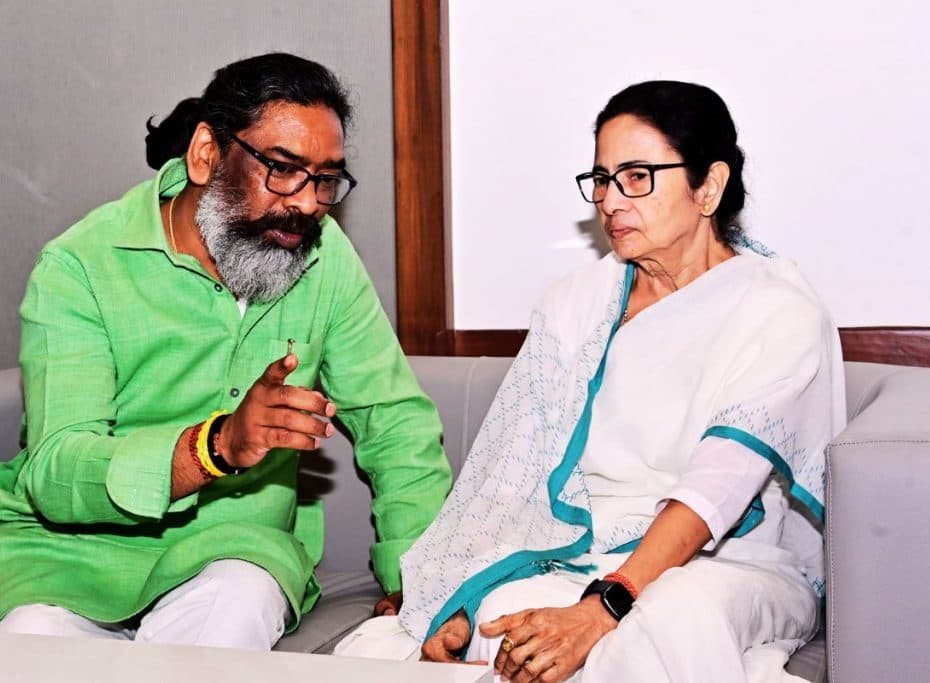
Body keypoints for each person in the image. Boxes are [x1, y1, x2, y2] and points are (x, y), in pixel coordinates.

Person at [334, 81, 845, 682]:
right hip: (578, 553)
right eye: (602, 179)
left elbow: (716, 491)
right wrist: (460, 605)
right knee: (504, 624)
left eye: (637, 177)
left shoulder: (777, 312)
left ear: (708, 186)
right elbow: (509, 479)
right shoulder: (575, 305)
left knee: (671, 620)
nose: (610, 201)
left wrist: (605, 607)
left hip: (733, 561)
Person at [0, 53, 451, 650]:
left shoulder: (322, 256)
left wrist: (424, 585)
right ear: (206, 154)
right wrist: (215, 447)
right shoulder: (80, 266)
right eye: (282, 169)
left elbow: (395, 425)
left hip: (230, 549)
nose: (307, 203)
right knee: (32, 641)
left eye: (325, 179)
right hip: (63, 555)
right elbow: (57, 471)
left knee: (237, 605)